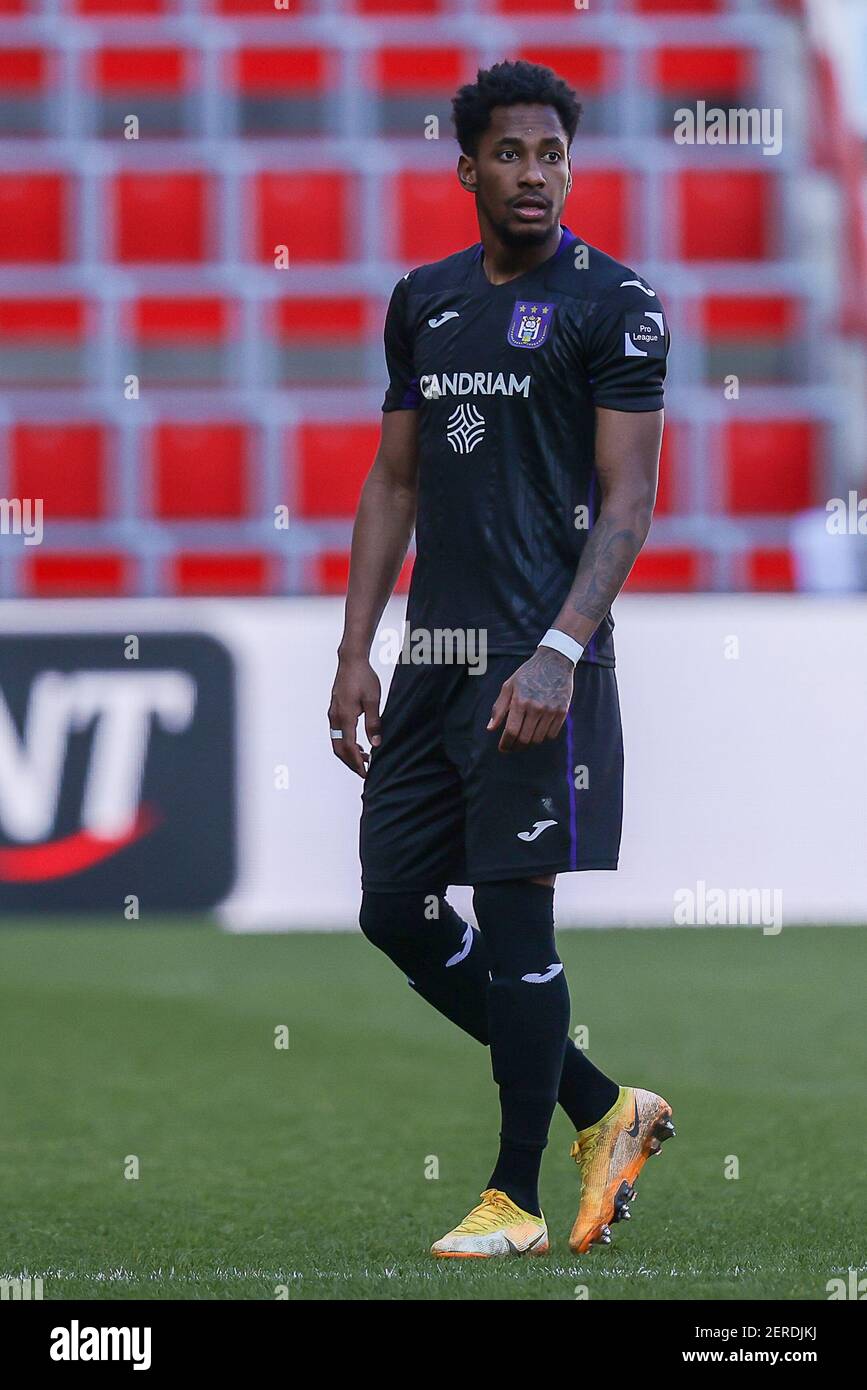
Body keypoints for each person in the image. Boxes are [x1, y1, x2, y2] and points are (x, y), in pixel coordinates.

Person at [328, 60, 675, 1258]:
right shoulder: (423, 299)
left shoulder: (615, 303)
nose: (536, 174)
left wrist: (560, 651)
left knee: (516, 924)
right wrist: (354, 649)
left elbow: (629, 506)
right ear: (467, 165)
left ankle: (515, 1196)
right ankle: (605, 1107)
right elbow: (395, 480)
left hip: (540, 661)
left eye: (554, 156)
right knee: (394, 907)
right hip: (434, 657)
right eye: (513, 155)